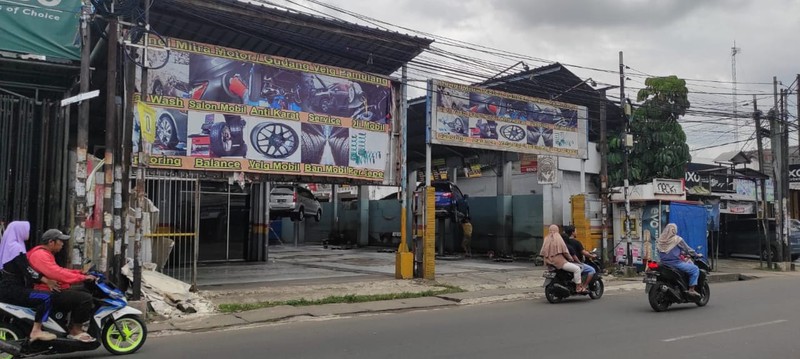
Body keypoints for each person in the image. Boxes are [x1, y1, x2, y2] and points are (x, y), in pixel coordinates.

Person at [27, 229, 98, 343]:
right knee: (85, 299)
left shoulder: (46, 254)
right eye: (60, 241)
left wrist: (79, 273)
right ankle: (76, 330)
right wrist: (82, 278)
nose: (62, 244)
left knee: (84, 291)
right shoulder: (40, 255)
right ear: (51, 242)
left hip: (52, 287)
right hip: (47, 290)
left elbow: (59, 270)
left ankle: (69, 323)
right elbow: (55, 273)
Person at [0, 221, 59, 341]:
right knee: (46, 297)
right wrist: (46, 281)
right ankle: (36, 330)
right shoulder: (16, 248)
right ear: (19, 231)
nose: (28, 232)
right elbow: (28, 270)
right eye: (26, 229)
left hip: (9, 288)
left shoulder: (10, 247)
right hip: (14, 289)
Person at [656, 223, 701, 298]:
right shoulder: (677, 239)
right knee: (695, 269)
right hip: (675, 263)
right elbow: (688, 249)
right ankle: (691, 289)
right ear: (674, 230)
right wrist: (696, 255)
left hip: (663, 263)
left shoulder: (660, 240)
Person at [540, 224, 586, 293]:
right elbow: (565, 251)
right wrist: (570, 258)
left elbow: (543, 252)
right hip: (559, 263)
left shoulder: (546, 238)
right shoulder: (558, 238)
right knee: (577, 269)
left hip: (548, 262)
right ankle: (578, 287)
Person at [563, 226, 596, 290]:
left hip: (565, 263)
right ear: (573, 232)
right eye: (576, 231)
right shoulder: (576, 242)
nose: (576, 233)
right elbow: (583, 253)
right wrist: (592, 256)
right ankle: (584, 286)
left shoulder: (563, 243)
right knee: (592, 270)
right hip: (574, 263)